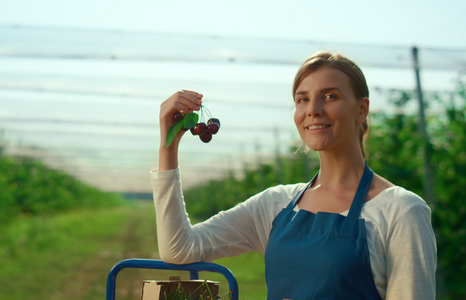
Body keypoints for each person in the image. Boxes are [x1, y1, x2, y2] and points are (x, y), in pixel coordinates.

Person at [151, 51, 437, 299]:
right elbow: (180, 249)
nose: (313, 110)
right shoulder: (275, 205)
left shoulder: (400, 211)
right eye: (302, 99)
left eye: (330, 96)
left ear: (361, 109)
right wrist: (168, 147)